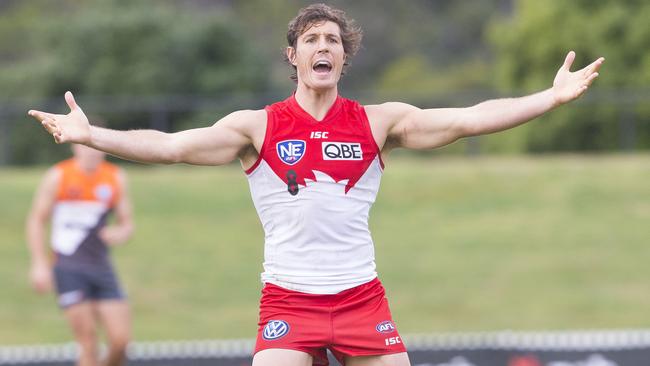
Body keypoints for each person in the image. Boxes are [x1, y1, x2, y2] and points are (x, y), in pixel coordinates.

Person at [27, 4, 604, 366]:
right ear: (293, 56)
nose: (323, 46)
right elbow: (173, 146)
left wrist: (548, 99)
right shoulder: (257, 127)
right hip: (288, 300)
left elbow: (468, 117)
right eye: (312, 39)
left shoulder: (379, 123)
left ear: (343, 59)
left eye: (333, 40)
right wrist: (92, 134)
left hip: (361, 297)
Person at [26, 142, 134, 366]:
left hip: (101, 266)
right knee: (88, 343)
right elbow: (36, 220)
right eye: (85, 146)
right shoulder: (59, 176)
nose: (90, 152)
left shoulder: (114, 177)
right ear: (75, 148)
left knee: (121, 341)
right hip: (69, 267)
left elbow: (127, 224)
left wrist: (119, 233)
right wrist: (38, 263)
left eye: (95, 146)